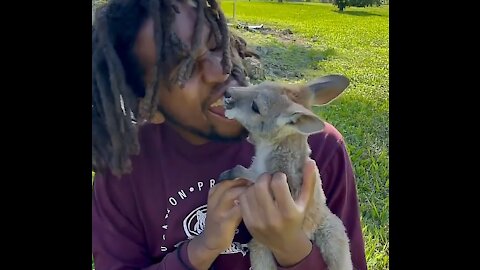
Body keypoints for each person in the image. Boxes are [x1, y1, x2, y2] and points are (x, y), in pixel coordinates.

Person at [91, 0, 367, 269]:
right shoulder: (124, 172)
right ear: (148, 106)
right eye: (184, 69)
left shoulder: (319, 149)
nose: (221, 70)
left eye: (216, 45)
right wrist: (202, 248)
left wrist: (290, 247)